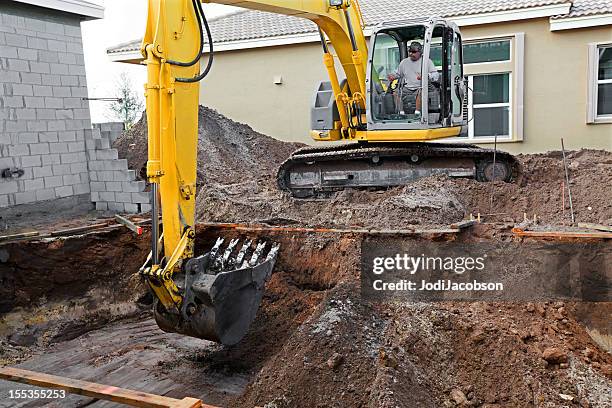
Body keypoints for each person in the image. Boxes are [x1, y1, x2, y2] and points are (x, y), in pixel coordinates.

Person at [387, 41, 438, 115]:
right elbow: (398, 73)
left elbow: (436, 75)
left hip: (421, 86)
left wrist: (426, 76)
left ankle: (417, 114)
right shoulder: (404, 62)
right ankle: (401, 113)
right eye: (410, 51)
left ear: (420, 52)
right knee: (396, 92)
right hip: (408, 87)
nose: (411, 54)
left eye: (414, 52)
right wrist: (393, 76)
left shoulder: (427, 61)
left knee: (421, 90)